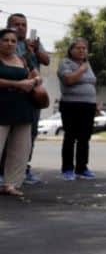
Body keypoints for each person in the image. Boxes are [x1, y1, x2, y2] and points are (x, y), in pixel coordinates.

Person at [6, 13, 50, 184]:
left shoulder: (34, 43)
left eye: (24, 24)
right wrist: (27, 53)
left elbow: (46, 60)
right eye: (16, 24)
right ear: (9, 26)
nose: (21, 27)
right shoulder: (7, 42)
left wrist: (35, 49)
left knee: (29, 133)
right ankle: (4, 171)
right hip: (11, 94)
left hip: (32, 95)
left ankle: (24, 167)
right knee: (8, 134)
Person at [0, 28, 40, 198]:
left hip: (23, 108)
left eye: (13, 41)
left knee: (21, 149)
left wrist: (35, 80)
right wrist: (17, 85)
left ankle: (11, 184)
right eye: (5, 40)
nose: (10, 43)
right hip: (1, 108)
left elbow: (35, 75)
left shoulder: (22, 59)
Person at [57, 37, 98, 180]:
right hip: (71, 104)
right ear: (71, 50)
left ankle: (82, 168)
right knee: (70, 136)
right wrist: (81, 70)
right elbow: (68, 80)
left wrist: (95, 101)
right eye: (78, 48)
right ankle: (67, 169)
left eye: (84, 48)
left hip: (88, 105)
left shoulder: (87, 63)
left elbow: (92, 83)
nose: (82, 51)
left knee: (84, 137)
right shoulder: (65, 63)